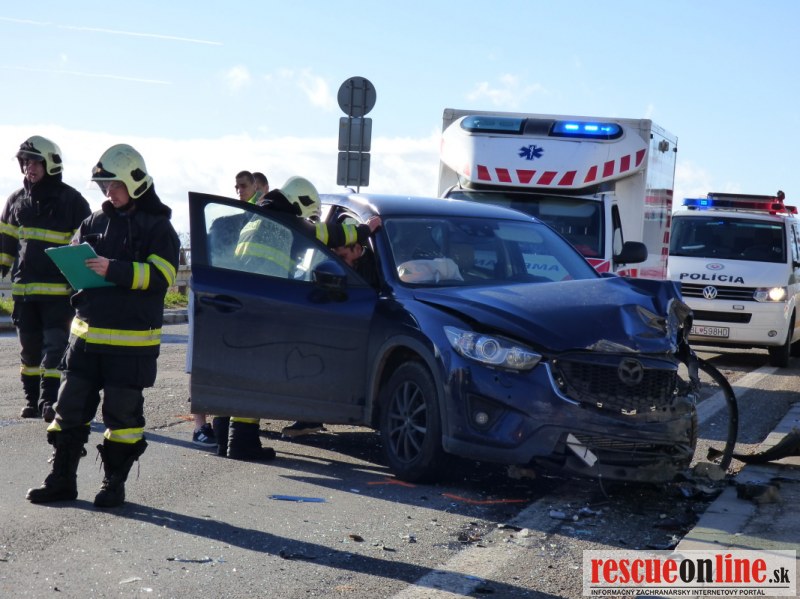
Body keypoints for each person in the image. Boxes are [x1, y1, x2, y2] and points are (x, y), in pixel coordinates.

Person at [26, 144, 180, 508]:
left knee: (123, 420)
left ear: (136, 182)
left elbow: (163, 276)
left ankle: (114, 484)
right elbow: (77, 258)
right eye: (104, 186)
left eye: (115, 185)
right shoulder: (93, 222)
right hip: (85, 340)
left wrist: (114, 269)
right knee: (68, 411)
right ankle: (61, 480)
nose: (109, 192)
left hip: (131, 346)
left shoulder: (159, 227)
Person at [213, 176, 381, 457]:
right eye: (310, 215)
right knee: (256, 373)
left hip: (239, 301)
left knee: (236, 371)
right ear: (300, 203)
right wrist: (365, 230)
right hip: (263, 305)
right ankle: (242, 442)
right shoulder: (286, 220)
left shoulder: (259, 217)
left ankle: (223, 439)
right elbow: (330, 234)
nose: (309, 221)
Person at [0, 136, 92, 422]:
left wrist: (83, 287)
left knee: (54, 350)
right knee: (29, 353)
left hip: (59, 296)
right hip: (24, 295)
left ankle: (49, 402)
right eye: (25, 162)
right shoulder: (16, 200)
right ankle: (32, 402)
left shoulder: (73, 201)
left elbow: (88, 247)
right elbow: (5, 244)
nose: (30, 167)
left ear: (51, 163)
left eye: (35, 162)